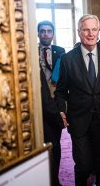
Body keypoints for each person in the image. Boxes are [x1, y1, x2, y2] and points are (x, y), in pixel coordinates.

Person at [55, 14, 100, 186]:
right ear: (79, 32)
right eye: (86, 30)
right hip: (79, 121)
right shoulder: (68, 59)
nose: (90, 34)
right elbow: (61, 91)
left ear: (98, 32)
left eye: (94, 29)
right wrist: (62, 110)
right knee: (84, 166)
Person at [37, 20, 66, 186]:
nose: (46, 34)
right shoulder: (31, 51)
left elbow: (63, 80)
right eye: (43, 31)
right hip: (39, 104)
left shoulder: (60, 51)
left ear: (53, 34)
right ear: (39, 33)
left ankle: (54, 177)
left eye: (49, 31)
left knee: (56, 142)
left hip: (55, 104)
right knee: (43, 144)